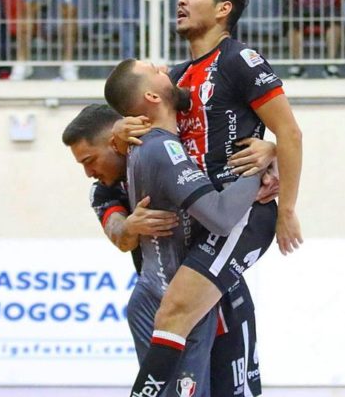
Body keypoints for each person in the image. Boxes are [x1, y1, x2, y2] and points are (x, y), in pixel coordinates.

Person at [114, 0, 304, 397]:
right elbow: (137, 110)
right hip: (201, 213)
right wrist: (119, 130)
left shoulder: (240, 60)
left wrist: (286, 209)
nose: (181, 0)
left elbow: (289, 132)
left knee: (176, 311)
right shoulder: (178, 75)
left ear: (223, 9)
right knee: (214, 324)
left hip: (239, 212)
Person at [62, 103, 273, 397]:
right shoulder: (105, 191)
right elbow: (121, 238)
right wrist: (130, 226)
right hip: (165, 309)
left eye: (90, 160)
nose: (88, 172)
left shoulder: (173, 153)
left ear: (115, 143)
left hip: (223, 298)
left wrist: (270, 152)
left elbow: (242, 164)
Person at [105, 58, 269, 397]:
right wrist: (261, 169)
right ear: (152, 96)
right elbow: (221, 216)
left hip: (156, 288)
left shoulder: (141, 144)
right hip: (178, 296)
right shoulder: (163, 147)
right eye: (156, 70)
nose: (165, 68)